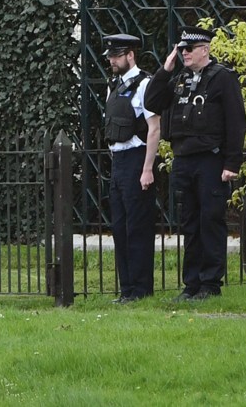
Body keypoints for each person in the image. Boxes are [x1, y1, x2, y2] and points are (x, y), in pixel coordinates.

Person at [144, 26, 246, 301]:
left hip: (211, 160)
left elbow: (236, 121)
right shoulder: (179, 79)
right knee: (188, 222)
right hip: (184, 160)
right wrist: (165, 70)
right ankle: (191, 284)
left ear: (205, 49)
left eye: (189, 49)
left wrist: (232, 163)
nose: (184, 54)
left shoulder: (222, 78)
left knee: (210, 220)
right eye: (181, 49)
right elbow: (152, 101)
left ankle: (210, 283)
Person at [103, 33, 160, 303]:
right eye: (110, 56)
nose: (112, 61)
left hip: (137, 158)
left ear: (130, 55)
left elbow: (154, 128)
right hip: (119, 162)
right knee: (119, 226)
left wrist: (147, 168)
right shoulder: (113, 86)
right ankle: (127, 289)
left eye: (116, 56)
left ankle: (141, 289)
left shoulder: (145, 84)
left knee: (138, 227)